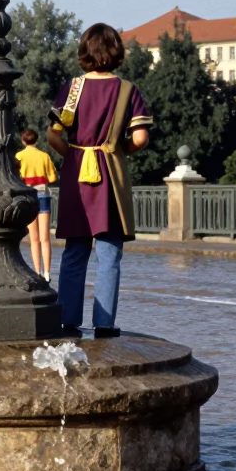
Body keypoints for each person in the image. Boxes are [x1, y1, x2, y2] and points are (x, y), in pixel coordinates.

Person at [48, 22, 152, 338]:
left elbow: (53, 136)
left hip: (76, 173)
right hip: (110, 173)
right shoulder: (127, 90)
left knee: (75, 251)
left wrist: (75, 154)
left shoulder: (73, 88)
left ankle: (67, 321)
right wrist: (117, 152)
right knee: (109, 253)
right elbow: (141, 137)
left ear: (84, 52)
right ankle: (104, 325)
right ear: (116, 52)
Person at [15, 128, 57, 282]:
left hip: (29, 196)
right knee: (45, 237)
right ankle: (47, 273)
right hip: (43, 195)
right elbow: (52, 178)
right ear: (36, 140)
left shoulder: (19, 156)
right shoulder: (44, 156)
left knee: (34, 237)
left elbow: (15, 177)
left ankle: (37, 271)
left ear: (23, 140)